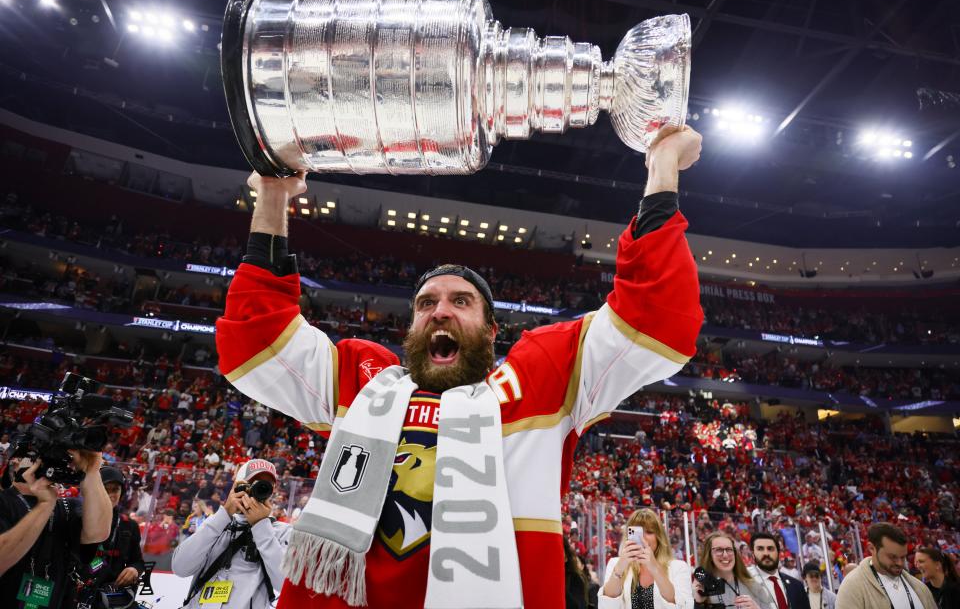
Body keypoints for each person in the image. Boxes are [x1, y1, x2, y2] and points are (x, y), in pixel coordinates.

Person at [215, 126, 703, 609]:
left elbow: (655, 318)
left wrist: (661, 168)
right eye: (426, 303)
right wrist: (274, 195)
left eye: (460, 301)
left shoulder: (541, 381)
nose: (440, 311)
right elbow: (256, 338)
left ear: (492, 332)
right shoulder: (361, 380)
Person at [0, 449, 112, 609]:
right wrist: (44, 505)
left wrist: (92, 471)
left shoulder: (67, 506)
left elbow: (98, 533)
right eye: (34, 453)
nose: (43, 459)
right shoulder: (4, 502)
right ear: (15, 461)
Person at [172, 459, 291, 609]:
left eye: (264, 486)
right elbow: (180, 568)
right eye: (252, 483)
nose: (257, 490)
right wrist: (225, 513)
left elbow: (285, 585)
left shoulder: (283, 532)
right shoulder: (216, 523)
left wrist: (261, 527)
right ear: (237, 486)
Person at [74, 465, 146, 608]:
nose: (110, 495)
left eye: (115, 490)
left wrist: (134, 570)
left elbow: (138, 562)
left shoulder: (129, 526)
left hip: (113, 598)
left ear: (122, 492)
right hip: (78, 596)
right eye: (105, 489)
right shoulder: (77, 519)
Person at [599, 508, 694, 608]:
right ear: (629, 535)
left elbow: (684, 606)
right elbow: (606, 605)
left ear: (659, 537)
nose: (642, 538)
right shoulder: (615, 564)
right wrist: (620, 568)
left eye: (649, 532)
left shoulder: (679, 567)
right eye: (637, 532)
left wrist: (655, 568)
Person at [835, 522, 936, 609]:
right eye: (893, 557)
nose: (900, 563)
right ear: (871, 548)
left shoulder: (920, 588)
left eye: (903, 557)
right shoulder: (852, 588)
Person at [694, 532, 777, 609]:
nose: (725, 555)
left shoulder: (754, 586)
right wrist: (698, 604)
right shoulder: (701, 589)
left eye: (729, 549)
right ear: (709, 555)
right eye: (719, 550)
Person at [750, 531, 810, 609]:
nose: (766, 553)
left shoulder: (797, 586)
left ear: (778, 553)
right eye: (760, 549)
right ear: (753, 554)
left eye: (770, 549)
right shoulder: (744, 585)